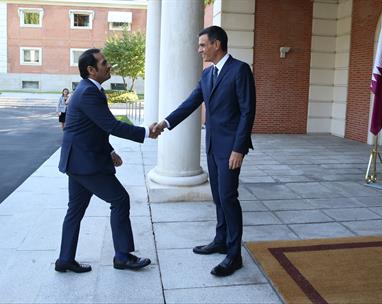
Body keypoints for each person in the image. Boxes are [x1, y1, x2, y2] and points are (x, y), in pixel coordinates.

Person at [153, 26, 256, 277]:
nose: (199, 50)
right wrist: (165, 123)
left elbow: (247, 111)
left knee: (229, 197)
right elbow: (191, 102)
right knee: (219, 197)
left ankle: (234, 255)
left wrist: (239, 148)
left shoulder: (240, 70)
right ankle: (220, 240)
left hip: (230, 149)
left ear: (216, 44)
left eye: (202, 45)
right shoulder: (208, 74)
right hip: (211, 145)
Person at [55, 48, 161, 273]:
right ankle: (122, 256)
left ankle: (65, 259)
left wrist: (110, 150)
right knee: (120, 200)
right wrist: (145, 132)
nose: (109, 65)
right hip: (85, 163)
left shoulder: (88, 90)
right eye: (104, 63)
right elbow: (111, 125)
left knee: (75, 211)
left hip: (77, 161)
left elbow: (92, 127)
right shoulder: (88, 93)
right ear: (91, 70)